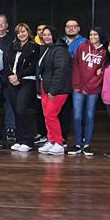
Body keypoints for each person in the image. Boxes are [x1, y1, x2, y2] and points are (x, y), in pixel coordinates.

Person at [69, 27, 106, 156]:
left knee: (90, 116)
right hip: (79, 87)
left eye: (95, 34)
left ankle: (87, 144)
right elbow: (76, 66)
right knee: (77, 116)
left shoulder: (104, 51)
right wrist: (79, 84)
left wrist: (92, 84)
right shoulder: (82, 46)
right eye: (90, 34)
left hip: (93, 89)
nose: (92, 36)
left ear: (100, 35)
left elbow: (102, 71)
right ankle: (78, 144)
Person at [3, 23, 39, 153]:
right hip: (11, 81)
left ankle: (28, 140)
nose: (21, 34)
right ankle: (19, 139)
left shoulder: (34, 47)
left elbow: (33, 66)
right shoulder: (12, 46)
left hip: (26, 81)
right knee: (15, 110)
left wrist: (18, 76)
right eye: (18, 32)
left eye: (23, 31)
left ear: (28, 32)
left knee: (21, 110)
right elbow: (6, 62)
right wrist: (11, 77)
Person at [36, 26, 72, 156]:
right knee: (47, 116)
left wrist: (53, 90)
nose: (46, 37)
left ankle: (58, 143)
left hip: (57, 90)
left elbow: (61, 72)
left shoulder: (60, 50)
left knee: (51, 115)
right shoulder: (48, 49)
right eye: (44, 35)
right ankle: (51, 140)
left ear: (55, 35)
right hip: (46, 88)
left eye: (49, 34)